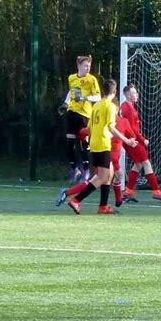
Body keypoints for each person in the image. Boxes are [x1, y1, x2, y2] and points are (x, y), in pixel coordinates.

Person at [58, 79, 137, 215]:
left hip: (94, 144)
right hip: (103, 144)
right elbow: (111, 127)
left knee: (109, 173)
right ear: (115, 91)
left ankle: (103, 206)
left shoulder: (96, 105)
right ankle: (76, 200)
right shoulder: (110, 106)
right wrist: (127, 140)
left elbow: (89, 127)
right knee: (102, 178)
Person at [58, 55, 101, 185]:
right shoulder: (72, 78)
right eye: (85, 66)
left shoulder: (92, 79)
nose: (88, 68)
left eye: (89, 66)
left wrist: (84, 98)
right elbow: (71, 93)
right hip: (72, 113)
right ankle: (74, 169)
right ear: (78, 66)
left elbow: (98, 97)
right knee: (70, 143)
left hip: (85, 115)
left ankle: (86, 171)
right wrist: (65, 104)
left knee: (84, 144)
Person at [121, 84, 161, 202]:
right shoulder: (128, 108)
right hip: (132, 141)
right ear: (129, 95)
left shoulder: (128, 106)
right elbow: (132, 129)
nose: (137, 95)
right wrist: (142, 139)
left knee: (139, 164)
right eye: (135, 93)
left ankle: (128, 191)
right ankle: (156, 192)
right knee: (146, 163)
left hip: (131, 140)